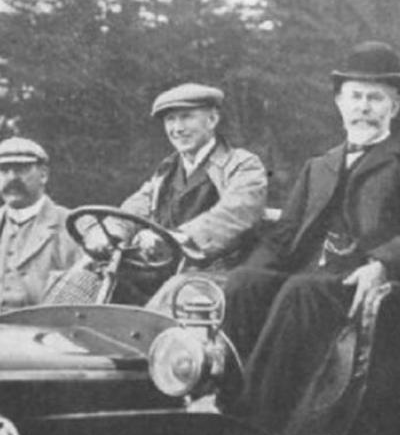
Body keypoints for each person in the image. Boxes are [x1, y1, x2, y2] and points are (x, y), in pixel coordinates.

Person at [221, 41, 400, 435]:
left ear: (394, 107)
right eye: (356, 96)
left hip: (359, 282)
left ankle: (253, 423)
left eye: (375, 97)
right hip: (311, 276)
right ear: (339, 102)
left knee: (300, 291)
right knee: (242, 284)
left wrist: (382, 264)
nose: (364, 107)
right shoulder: (319, 165)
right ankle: (221, 401)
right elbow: (282, 237)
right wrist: (249, 272)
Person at [64, 82, 267, 306]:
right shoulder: (167, 169)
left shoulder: (242, 165)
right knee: (88, 274)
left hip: (220, 274)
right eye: (170, 119)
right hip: (165, 270)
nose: (177, 128)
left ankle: (148, 340)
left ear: (212, 120)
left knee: (174, 293)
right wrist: (111, 231)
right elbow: (136, 207)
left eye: (186, 117)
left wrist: (175, 238)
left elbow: (235, 214)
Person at [0, 137, 80, 312]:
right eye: (4, 170)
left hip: (46, 333)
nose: (12, 178)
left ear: (43, 175)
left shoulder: (72, 227)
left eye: (21, 169)